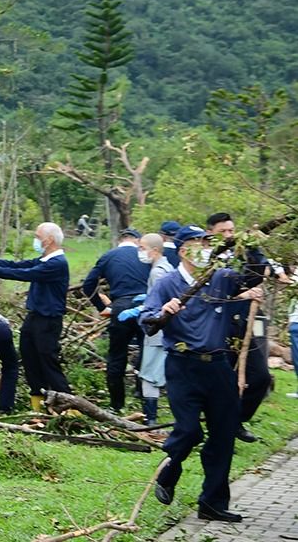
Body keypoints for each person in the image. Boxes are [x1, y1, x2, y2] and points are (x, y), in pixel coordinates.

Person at [140, 225, 263, 523]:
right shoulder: (168, 283)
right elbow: (147, 320)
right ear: (183, 250)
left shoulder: (221, 278)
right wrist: (164, 312)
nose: (207, 248)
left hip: (219, 366)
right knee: (190, 430)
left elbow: (255, 274)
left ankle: (212, 503)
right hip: (183, 366)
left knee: (223, 435)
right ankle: (171, 468)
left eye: (209, 243)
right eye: (199, 244)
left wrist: (252, 245)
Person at [0, 222, 70, 409]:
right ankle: (39, 405)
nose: (35, 240)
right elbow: (16, 265)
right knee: (30, 360)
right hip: (34, 318)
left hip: (48, 321)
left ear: (50, 240)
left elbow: (26, 274)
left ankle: (69, 406)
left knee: (48, 361)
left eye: (38, 237)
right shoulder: (44, 259)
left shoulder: (57, 264)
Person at [204, 211, 290, 442]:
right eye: (223, 231)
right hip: (223, 321)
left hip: (254, 318)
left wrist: (253, 245)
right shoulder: (206, 258)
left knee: (260, 376)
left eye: (232, 230)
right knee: (227, 376)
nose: (229, 235)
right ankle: (222, 427)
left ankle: (237, 420)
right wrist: (240, 296)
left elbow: (263, 268)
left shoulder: (245, 252)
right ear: (210, 233)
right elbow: (208, 295)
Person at [81, 228, 151, 412]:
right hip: (147, 306)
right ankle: (146, 402)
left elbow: (88, 286)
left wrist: (102, 307)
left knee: (116, 355)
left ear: (120, 240)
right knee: (148, 353)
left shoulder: (109, 256)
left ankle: (116, 404)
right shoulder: (147, 253)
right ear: (137, 240)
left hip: (121, 307)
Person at [136, 232, 177, 424]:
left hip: (156, 330)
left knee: (149, 375)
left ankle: (150, 419)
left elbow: (160, 301)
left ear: (155, 250)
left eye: (142, 248)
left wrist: (144, 310)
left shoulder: (158, 271)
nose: (139, 252)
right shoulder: (167, 267)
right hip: (166, 329)